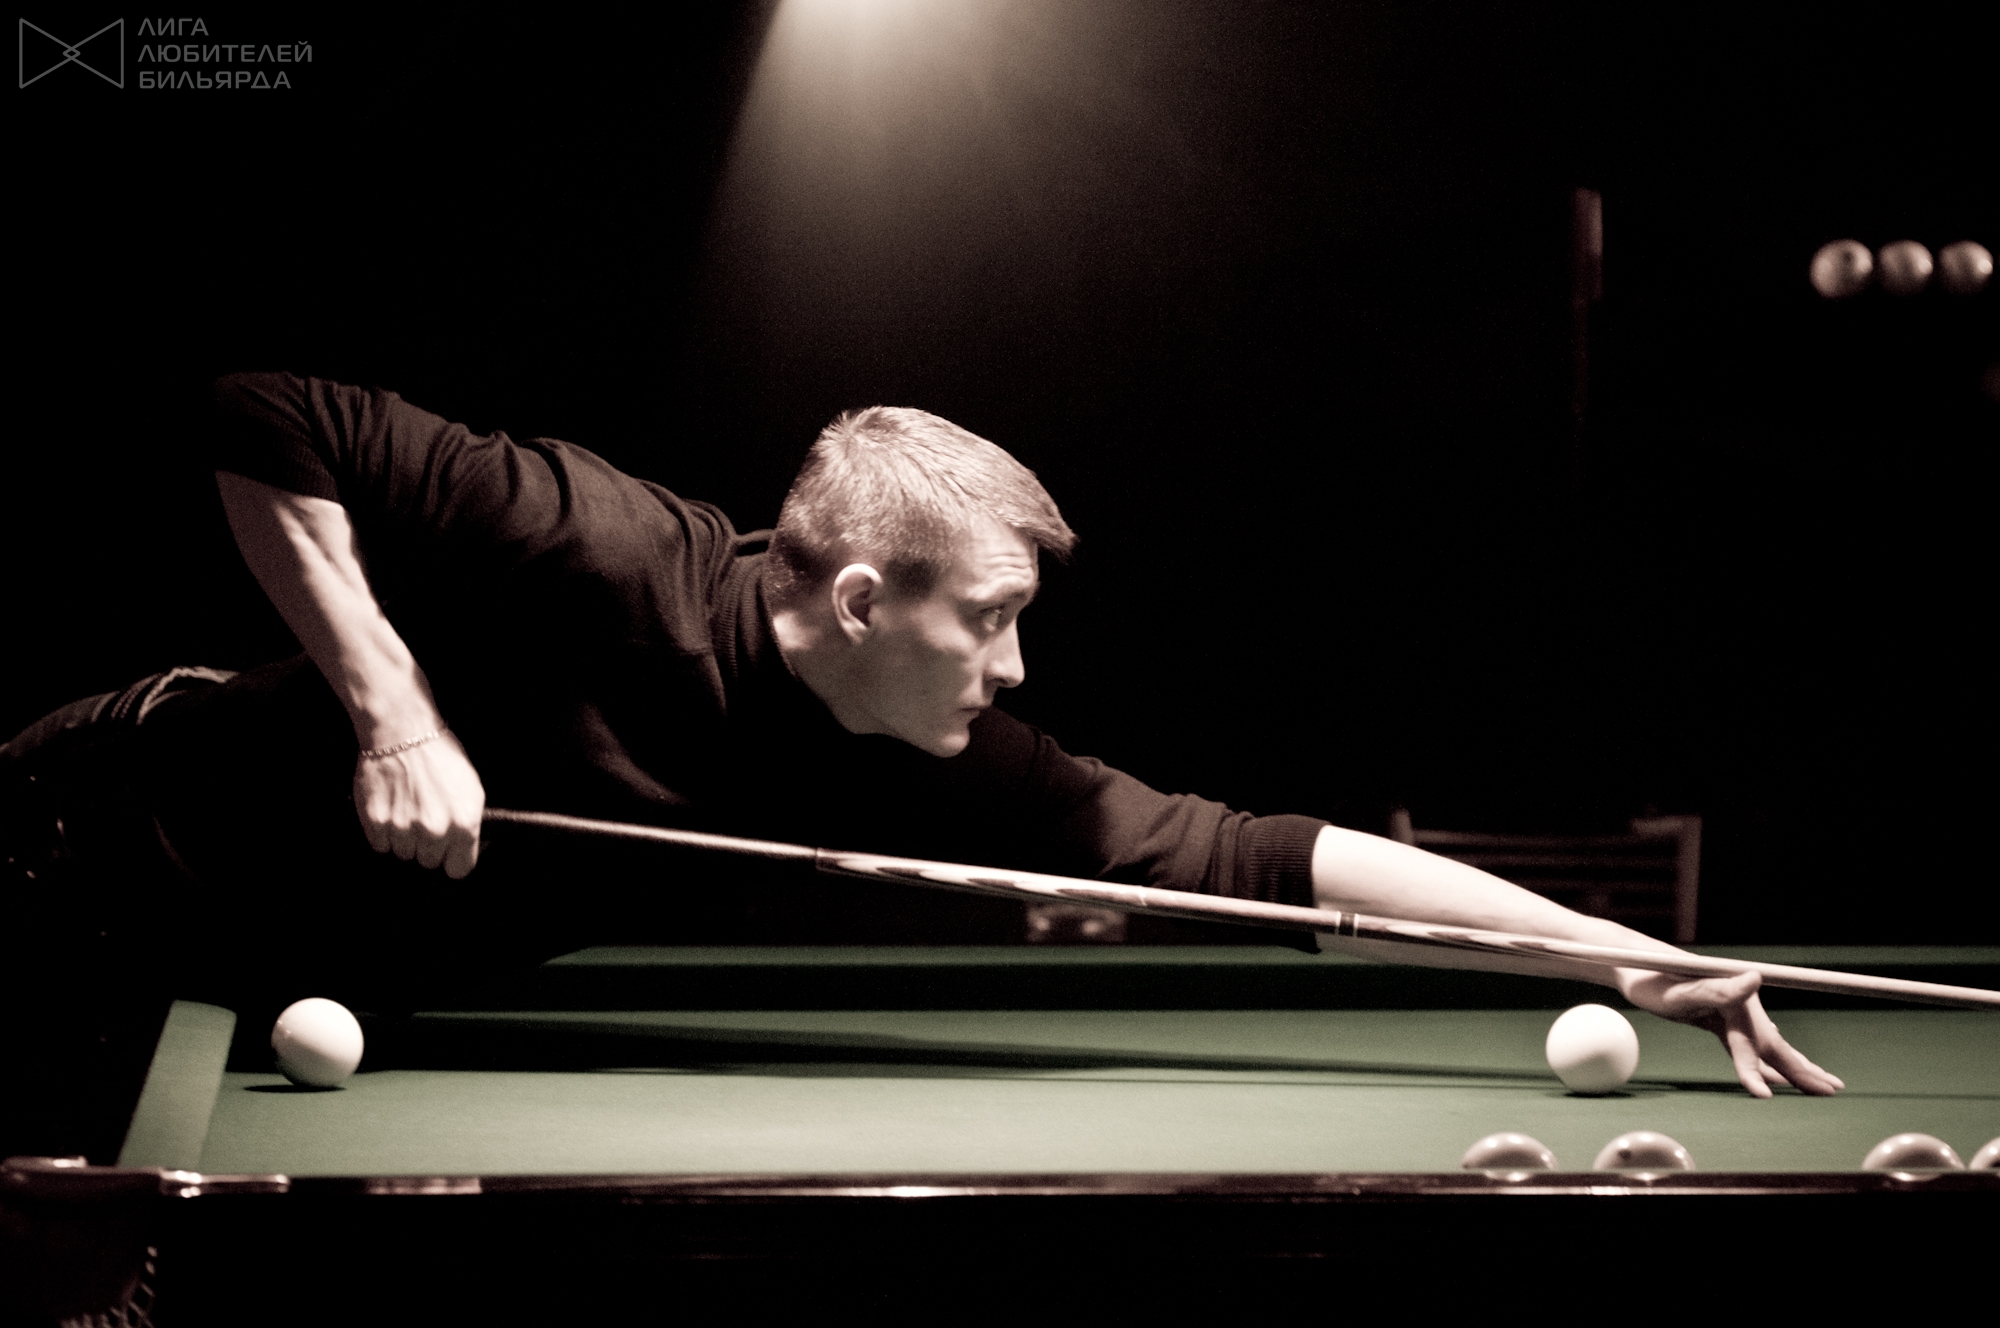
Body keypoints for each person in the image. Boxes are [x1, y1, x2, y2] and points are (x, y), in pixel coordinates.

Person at [3, 372, 1842, 1098]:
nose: (1016, 673)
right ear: (868, 598)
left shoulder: (939, 753)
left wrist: (1616, 952)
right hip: (89, 838)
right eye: (995, 618)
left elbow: (1267, 862)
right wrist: (395, 714)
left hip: (287, 980)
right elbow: (261, 417)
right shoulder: (607, 549)